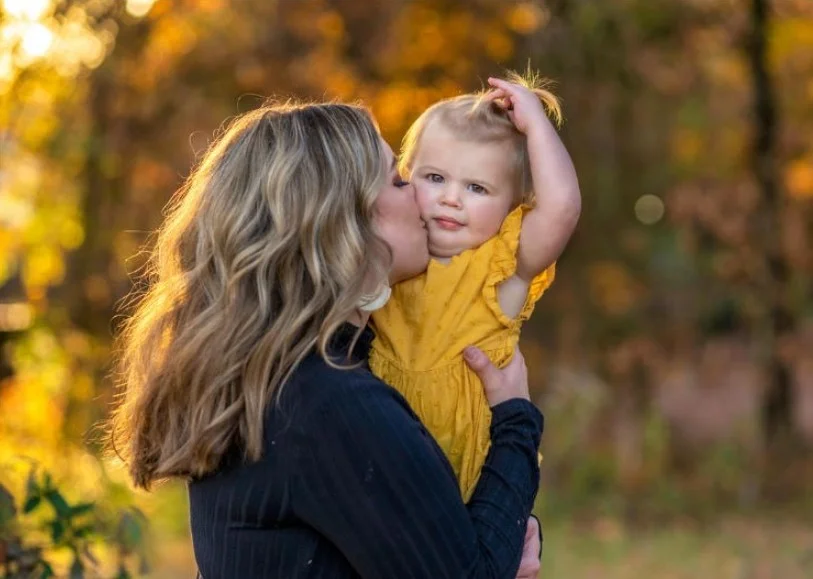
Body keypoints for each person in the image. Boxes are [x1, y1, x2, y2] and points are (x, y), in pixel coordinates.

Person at [108, 101, 545, 578]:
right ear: (345, 221)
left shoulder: (277, 382)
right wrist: (514, 424)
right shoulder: (331, 405)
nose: (423, 198)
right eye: (399, 181)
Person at [370, 73, 581, 501]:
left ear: (512, 206)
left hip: (468, 476)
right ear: (405, 178)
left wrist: (537, 125)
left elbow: (561, 208)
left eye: (476, 188)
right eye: (434, 178)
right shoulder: (386, 256)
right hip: (381, 458)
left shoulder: (502, 268)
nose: (451, 198)